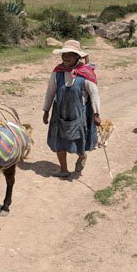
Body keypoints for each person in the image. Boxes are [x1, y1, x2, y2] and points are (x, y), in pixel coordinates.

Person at [42, 39, 101, 178]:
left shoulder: (85, 72)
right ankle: (63, 169)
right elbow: (50, 91)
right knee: (58, 139)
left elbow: (94, 94)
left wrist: (96, 113)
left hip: (79, 113)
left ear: (77, 57)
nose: (66, 57)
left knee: (79, 138)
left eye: (70, 54)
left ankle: (81, 156)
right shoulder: (57, 72)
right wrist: (46, 110)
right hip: (59, 112)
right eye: (64, 54)